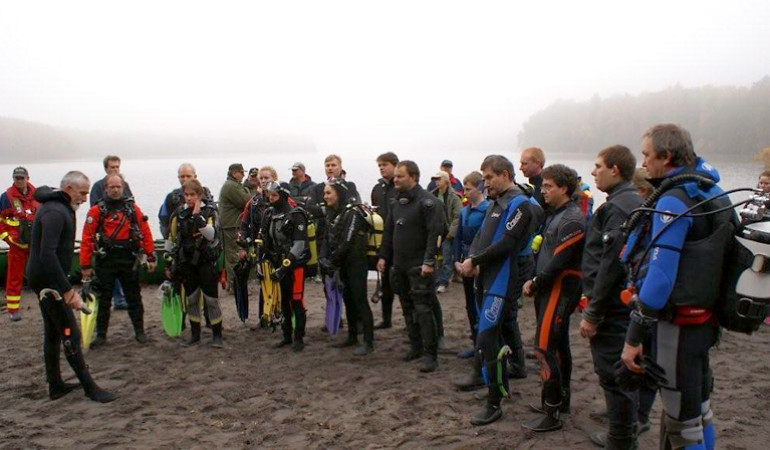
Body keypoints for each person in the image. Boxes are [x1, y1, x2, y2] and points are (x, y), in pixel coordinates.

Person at [621, 124, 728, 450]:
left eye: (647, 156)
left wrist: (634, 337)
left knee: (682, 422)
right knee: (699, 410)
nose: (643, 164)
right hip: (706, 318)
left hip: (677, 325)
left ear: (666, 157)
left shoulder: (674, 199)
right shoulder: (710, 188)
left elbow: (661, 277)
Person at [455, 155, 544, 425]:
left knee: (487, 339)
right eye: (483, 178)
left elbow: (507, 243)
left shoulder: (519, 204)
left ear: (505, 174)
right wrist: (473, 261)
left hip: (503, 280)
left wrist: (475, 261)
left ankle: (494, 403)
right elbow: (484, 238)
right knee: (489, 336)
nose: (486, 183)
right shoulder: (496, 203)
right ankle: (500, 383)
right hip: (487, 278)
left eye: (489, 177)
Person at [27, 171, 115, 402]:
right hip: (48, 283)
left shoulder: (57, 206)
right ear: (68, 188)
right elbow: (47, 254)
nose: (86, 198)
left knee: (53, 332)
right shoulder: (56, 212)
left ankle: (55, 384)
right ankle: (90, 388)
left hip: (45, 279)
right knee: (70, 332)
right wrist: (67, 290)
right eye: (82, 193)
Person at [578, 146, 644, 448]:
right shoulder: (631, 200)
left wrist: (593, 312)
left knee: (612, 372)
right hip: (620, 303)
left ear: (615, 169)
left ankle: (621, 438)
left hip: (613, 307)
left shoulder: (618, 208)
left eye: (598, 166)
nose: (593, 172)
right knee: (621, 372)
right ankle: (628, 428)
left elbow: (612, 263)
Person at [522, 164, 585, 432]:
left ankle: (552, 411)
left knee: (544, 348)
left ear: (564, 188)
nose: (543, 190)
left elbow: (560, 261)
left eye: (548, 186)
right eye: (543, 185)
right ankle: (562, 400)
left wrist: (536, 282)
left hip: (560, 288)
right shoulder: (556, 214)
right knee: (558, 347)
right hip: (551, 289)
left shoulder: (572, 218)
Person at [377, 160, 444, 373]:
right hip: (400, 265)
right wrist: (383, 258)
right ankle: (415, 346)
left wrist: (429, 261)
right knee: (406, 308)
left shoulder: (428, 203)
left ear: (413, 177)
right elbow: (389, 233)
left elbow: (435, 234)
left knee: (424, 310)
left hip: (420, 266)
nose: (395, 179)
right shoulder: (396, 203)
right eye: (395, 176)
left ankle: (430, 354)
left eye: (400, 176)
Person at [80, 173, 156, 347]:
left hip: (128, 260)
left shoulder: (132, 209)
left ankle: (140, 332)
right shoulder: (97, 211)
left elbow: (145, 231)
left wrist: (150, 255)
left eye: (118, 187)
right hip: (106, 260)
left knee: (134, 297)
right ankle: (101, 335)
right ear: (105, 189)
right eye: (112, 187)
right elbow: (87, 238)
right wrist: (85, 265)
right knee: (104, 299)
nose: (115, 190)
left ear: (123, 188)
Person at [319, 179, 375, 355]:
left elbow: (347, 241)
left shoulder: (352, 213)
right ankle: (352, 336)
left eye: (328, 193)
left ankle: (368, 341)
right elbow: (328, 237)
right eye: (324, 193)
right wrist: (324, 258)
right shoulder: (332, 212)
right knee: (348, 300)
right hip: (342, 263)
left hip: (356, 263)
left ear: (339, 193)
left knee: (360, 300)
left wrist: (332, 261)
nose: (325, 196)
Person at [167, 179, 224, 348]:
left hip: (206, 262)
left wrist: (198, 217)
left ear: (199, 195)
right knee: (191, 300)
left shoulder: (210, 212)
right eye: (187, 195)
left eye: (193, 195)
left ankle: (217, 335)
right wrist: (169, 261)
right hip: (187, 264)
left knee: (211, 300)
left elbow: (211, 235)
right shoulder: (179, 214)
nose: (189, 198)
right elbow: (171, 237)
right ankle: (195, 334)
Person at [260, 182, 310, 352]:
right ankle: (286, 335)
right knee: (284, 302)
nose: (270, 199)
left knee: (296, 301)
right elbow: (266, 240)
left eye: (274, 196)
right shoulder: (269, 214)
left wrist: (284, 266)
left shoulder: (297, 215)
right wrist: (264, 257)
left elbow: (299, 245)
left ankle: (299, 338)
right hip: (278, 263)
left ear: (283, 196)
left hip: (295, 266)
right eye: (269, 195)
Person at [452, 171, 490, 359]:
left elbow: (486, 239)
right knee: (469, 305)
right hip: (465, 262)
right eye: (464, 188)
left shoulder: (487, 210)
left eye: (468, 189)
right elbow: (458, 237)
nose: (465, 192)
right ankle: (476, 344)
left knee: (480, 305)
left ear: (480, 188)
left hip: (480, 264)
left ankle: (485, 346)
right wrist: (456, 260)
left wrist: (478, 262)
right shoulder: (465, 211)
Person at [90, 155, 133, 310]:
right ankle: (117, 299)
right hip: (106, 237)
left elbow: (131, 206)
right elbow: (93, 211)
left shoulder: (125, 185)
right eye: (112, 167)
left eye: (117, 167)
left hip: (124, 236)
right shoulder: (97, 187)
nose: (115, 170)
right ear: (106, 169)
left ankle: (123, 297)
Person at [0, 166, 38, 321]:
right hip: (17, 246)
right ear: (13, 179)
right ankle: (13, 310)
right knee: (14, 278)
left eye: (22, 178)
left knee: (41, 275)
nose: (19, 181)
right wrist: (10, 239)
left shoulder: (37, 195)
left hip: (35, 244)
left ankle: (46, 303)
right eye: (17, 178)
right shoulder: (6, 198)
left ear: (28, 178)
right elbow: (1, 222)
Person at [370, 152, 399, 329]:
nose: (381, 168)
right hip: (384, 242)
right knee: (385, 282)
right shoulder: (377, 189)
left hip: (401, 241)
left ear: (395, 165)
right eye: (379, 165)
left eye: (385, 164)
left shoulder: (400, 187)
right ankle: (386, 319)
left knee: (402, 284)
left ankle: (411, 320)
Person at [158, 163, 213, 240]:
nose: (185, 179)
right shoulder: (171, 197)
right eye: (182, 176)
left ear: (195, 177)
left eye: (188, 176)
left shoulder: (206, 197)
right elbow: (164, 221)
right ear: (178, 177)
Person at [219, 163, 251, 291]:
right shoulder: (231, 186)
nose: (244, 175)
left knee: (234, 255)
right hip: (232, 226)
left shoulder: (233, 185)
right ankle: (235, 286)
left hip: (231, 224)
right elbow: (247, 202)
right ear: (234, 173)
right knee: (234, 256)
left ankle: (234, 285)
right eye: (242, 172)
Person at [431, 171, 462, 294]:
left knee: (446, 259)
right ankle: (435, 281)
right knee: (433, 257)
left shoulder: (454, 196)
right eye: (435, 180)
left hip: (447, 232)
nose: (437, 182)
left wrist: (451, 233)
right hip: (435, 232)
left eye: (439, 179)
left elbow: (458, 216)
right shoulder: (432, 195)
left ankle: (443, 282)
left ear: (446, 180)